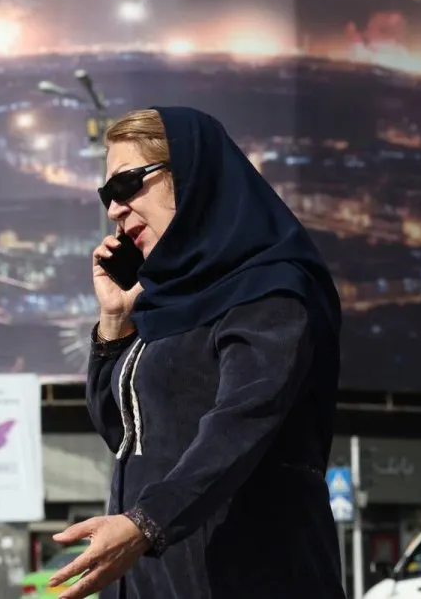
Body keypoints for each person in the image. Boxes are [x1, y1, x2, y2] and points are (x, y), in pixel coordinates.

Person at [48, 106, 344, 599]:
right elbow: (123, 434)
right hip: (158, 578)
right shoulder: (165, 301)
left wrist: (146, 523)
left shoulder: (270, 292)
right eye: (107, 195)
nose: (114, 209)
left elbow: (241, 422)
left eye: (125, 186)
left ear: (188, 177)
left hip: (251, 576)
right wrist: (116, 323)